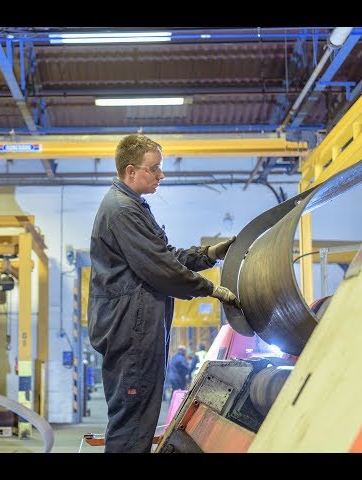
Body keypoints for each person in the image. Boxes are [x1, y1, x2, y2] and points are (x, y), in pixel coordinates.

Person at [87, 133, 241, 453]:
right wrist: (210, 288)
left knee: (138, 415)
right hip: (130, 329)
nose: (161, 175)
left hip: (135, 326)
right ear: (131, 171)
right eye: (154, 168)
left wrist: (209, 254)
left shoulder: (133, 206)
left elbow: (165, 256)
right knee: (132, 419)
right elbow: (160, 269)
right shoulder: (122, 211)